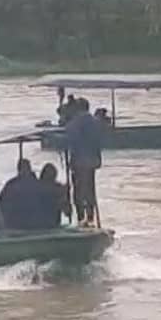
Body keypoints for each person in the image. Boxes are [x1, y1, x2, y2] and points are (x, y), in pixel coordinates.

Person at [67, 97, 102, 226]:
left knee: (78, 191)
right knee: (90, 189)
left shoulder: (75, 122)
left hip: (79, 161)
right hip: (92, 161)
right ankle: (91, 216)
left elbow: (72, 140)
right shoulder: (95, 122)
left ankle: (81, 218)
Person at [0, 158, 43, 230]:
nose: (26, 171)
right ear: (19, 170)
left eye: (27, 168)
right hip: (16, 221)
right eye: (23, 168)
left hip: (35, 220)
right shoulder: (11, 185)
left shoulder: (35, 184)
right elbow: (3, 201)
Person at [39, 163, 71, 228]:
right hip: (46, 223)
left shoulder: (58, 189)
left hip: (52, 223)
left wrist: (64, 195)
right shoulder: (57, 190)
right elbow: (67, 212)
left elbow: (67, 212)